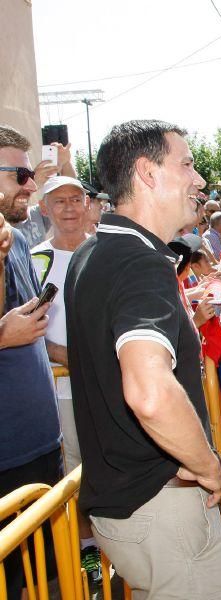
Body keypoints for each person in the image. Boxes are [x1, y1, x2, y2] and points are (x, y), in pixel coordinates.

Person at [66, 120, 221, 599]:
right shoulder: (138, 263)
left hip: (127, 510)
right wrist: (206, 464)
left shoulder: (95, 250)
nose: (198, 179)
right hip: (159, 510)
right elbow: (150, 394)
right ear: (147, 173)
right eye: (187, 164)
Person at [29, 175, 100, 583]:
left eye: (77, 199)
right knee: (78, 476)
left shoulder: (106, 252)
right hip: (64, 391)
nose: (70, 208)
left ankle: (120, 551)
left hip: (116, 387)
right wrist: (66, 356)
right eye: (59, 202)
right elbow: (24, 328)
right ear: (44, 209)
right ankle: (89, 561)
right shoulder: (34, 260)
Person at [0, 124, 61, 599]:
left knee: (44, 578)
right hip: (4, 459)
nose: (30, 184)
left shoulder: (17, 241)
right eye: (20, 173)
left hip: (41, 443)